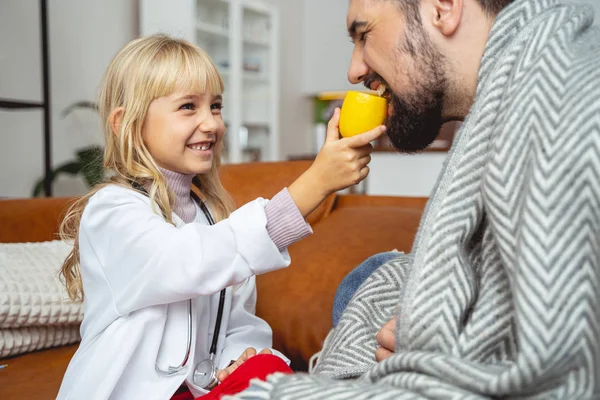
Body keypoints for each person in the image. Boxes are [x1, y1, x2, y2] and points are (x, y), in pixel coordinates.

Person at [233, 0, 600, 398]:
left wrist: (435, 349)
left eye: (364, 34)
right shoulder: (512, 90)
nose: (354, 70)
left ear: (443, 8)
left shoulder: (563, 95)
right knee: (375, 273)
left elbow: (559, 362)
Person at [56, 34, 385, 400]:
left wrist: (238, 358)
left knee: (267, 371)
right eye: (187, 107)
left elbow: (239, 322)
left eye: (215, 106)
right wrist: (313, 185)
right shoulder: (113, 212)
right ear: (126, 123)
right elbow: (187, 261)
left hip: (195, 392)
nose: (211, 124)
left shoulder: (213, 218)